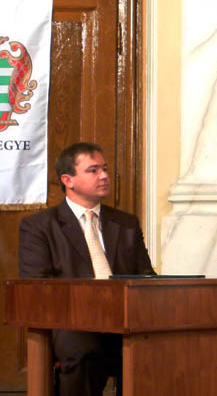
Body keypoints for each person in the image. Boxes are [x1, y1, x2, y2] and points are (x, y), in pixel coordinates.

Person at [18, 142, 155, 396]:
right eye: (93, 170)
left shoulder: (125, 223)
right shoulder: (39, 226)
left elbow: (146, 277)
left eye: (105, 169)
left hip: (124, 319)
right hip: (71, 321)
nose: (104, 176)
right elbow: (37, 287)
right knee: (85, 351)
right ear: (68, 180)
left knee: (163, 344)